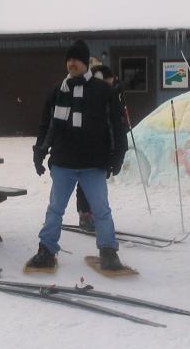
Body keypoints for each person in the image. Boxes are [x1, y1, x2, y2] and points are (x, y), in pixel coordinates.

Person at [28, 40, 129, 270]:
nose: (72, 63)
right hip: (63, 162)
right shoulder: (57, 92)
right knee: (55, 209)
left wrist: (117, 156)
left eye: (77, 59)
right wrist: (40, 152)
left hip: (93, 164)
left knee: (101, 210)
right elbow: (47, 126)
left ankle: (108, 251)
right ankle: (46, 249)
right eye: (69, 59)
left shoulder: (103, 91)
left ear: (85, 63)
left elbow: (116, 126)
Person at [75, 64, 124, 231]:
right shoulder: (87, 94)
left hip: (100, 152)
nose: (109, 87)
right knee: (83, 184)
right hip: (83, 149)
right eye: (107, 83)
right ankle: (85, 215)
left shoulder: (108, 94)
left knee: (97, 187)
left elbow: (115, 125)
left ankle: (95, 214)